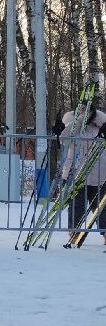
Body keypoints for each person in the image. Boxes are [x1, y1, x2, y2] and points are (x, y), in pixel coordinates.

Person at [54, 99, 106, 242]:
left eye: (86, 109)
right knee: (77, 205)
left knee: (101, 206)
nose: (84, 112)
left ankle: (105, 232)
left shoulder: (100, 126)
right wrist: (78, 121)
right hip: (75, 172)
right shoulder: (72, 125)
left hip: (99, 173)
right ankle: (74, 232)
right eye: (81, 109)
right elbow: (63, 140)